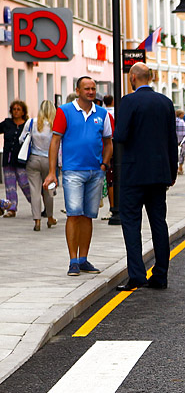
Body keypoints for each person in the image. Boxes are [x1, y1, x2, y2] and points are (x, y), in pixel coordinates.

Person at [112, 62, 178, 291]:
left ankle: (137, 275)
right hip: (160, 174)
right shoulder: (165, 102)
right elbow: (172, 140)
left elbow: (120, 135)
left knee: (131, 224)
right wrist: (172, 170)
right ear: (149, 78)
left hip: (133, 173)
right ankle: (160, 275)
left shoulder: (129, 101)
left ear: (132, 77)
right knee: (159, 223)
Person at [44, 77, 112, 276]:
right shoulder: (64, 111)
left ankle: (83, 259)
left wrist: (104, 164)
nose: (90, 92)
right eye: (87, 88)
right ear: (78, 90)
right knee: (74, 214)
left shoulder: (102, 113)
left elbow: (108, 142)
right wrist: (52, 172)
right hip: (72, 171)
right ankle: (73, 260)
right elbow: (55, 141)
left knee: (88, 216)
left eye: (93, 89)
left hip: (95, 171)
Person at [21, 100, 58, 231]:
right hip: (50, 160)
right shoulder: (55, 125)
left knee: (34, 191)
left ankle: (37, 221)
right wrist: (59, 164)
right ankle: (50, 217)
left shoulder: (31, 122)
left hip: (33, 160)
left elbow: (22, 139)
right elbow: (59, 145)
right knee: (49, 190)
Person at [1, 100, 33, 218]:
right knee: (10, 186)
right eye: (14, 109)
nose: (16, 111)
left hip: (21, 160)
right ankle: (11, 209)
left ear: (23, 111)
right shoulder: (7, 123)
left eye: (18, 109)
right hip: (8, 159)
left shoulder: (28, 124)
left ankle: (35, 204)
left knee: (25, 184)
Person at [175, 110, 185, 175]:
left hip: (174, 141)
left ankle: (176, 168)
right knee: (182, 155)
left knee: (175, 155)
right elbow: (184, 133)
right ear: (180, 115)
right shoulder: (181, 121)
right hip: (181, 141)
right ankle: (180, 167)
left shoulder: (172, 121)